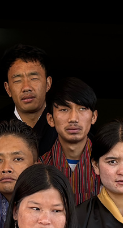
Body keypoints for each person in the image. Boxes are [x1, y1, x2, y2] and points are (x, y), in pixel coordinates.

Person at [0, 44, 58, 196]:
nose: (26, 87)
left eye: (34, 78)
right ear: (7, 89)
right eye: (17, 80)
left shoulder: (64, 128)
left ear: (48, 83)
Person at [40, 77, 101, 205]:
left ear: (94, 117)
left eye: (82, 108)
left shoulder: (108, 165)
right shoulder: (38, 168)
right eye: (64, 109)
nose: (73, 118)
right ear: (50, 119)